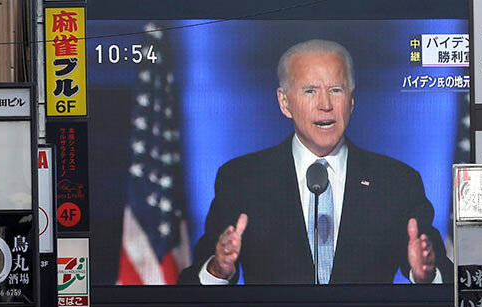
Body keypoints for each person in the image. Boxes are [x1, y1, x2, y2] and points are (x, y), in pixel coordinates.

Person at [180, 39, 452, 286]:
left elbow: (448, 277)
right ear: (285, 102)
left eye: (336, 90)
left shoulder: (397, 182)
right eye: (310, 91)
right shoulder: (242, 179)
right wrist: (219, 268)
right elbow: (190, 285)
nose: (325, 105)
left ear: (352, 101)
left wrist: (425, 273)